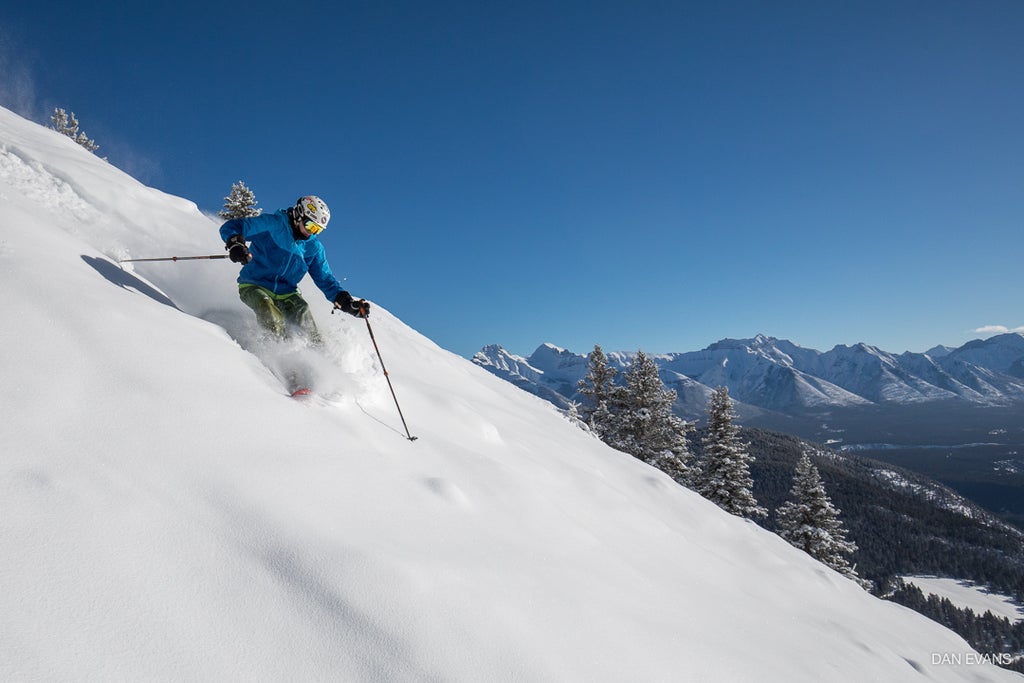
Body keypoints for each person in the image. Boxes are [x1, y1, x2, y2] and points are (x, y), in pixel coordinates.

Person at [218, 195, 368, 345]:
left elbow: (325, 279)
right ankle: (275, 352)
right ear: (298, 214)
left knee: (303, 313)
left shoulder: (314, 248)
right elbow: (232, 227)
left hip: (287, 293)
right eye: (310, 226)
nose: (311, 233)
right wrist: (236, 243)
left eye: (317, 230)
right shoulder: (272, 225)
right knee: (268, 310)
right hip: (254, 285)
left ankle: (319, 356)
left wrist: (347, 302)